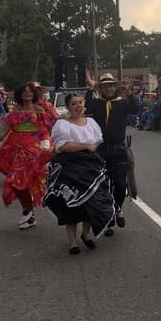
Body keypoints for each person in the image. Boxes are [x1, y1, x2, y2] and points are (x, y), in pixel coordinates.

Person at [44, 94, 114, 254]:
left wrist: (88, 147)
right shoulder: (62, 124)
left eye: (80, 103)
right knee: (70, 205)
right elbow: (63, 146)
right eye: (74, 103)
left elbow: (97, 142)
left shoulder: (92, 122)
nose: (78, 106)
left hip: (91, 165)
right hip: (69, 166)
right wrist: (85, 145)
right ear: (68, 107)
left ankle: (85, 234)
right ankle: (72, 242)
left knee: (92, 202)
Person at [0, 83, 54, 230]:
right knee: (13, 181)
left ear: (34, 94)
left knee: (23, 181)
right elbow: (3, 133)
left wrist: (51, 146)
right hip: (17, 150)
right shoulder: (15, 111)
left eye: (30, 92)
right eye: (25, 92)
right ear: (20, 94)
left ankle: (28, 211)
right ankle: (28, 210)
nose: (27, 94)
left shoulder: (39, 110)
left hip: (34, 151)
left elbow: (50, 131)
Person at [84, 73, 139, 235]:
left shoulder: (122, 103)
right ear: (100, 88)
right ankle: (108, 218)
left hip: (119, 150)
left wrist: (130, 93)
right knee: (104, 185)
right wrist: (90, 89)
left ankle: (118, 208)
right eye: (105, 86)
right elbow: (85, 108)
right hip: (100, 150)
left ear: (115, 87)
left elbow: (135, 109)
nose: (108, 88)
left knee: (120, 183)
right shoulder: (96, 103)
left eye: (111, 86)